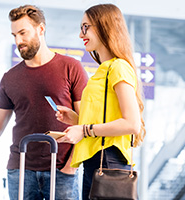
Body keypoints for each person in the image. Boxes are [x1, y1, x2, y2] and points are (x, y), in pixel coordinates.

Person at [0, 5, 88, 200]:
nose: (18, 41)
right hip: (20, 169)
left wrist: (70, 168)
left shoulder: (71, 68)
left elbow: (85, 123)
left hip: (61, 170)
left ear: (41, 29)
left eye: (23, 33)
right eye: (14, 35)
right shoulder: (10, 78)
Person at [55, 4, 146, 199]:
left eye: (85, 27)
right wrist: (77, 120)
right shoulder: (104, 70)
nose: (81, 34)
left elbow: (132, 123)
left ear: (104, 26)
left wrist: (84, 130)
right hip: (97, 163)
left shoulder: (118, 67)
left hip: (109, 163)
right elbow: (107, 118)